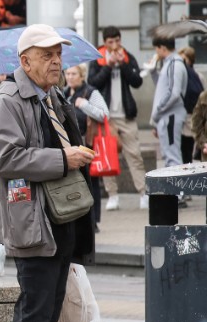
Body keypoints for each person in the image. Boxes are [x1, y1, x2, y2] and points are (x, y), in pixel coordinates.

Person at [0, 24, 95, 322]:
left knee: (47, 310)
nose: (56, 61)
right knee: (34, 309)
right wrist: (63, 159)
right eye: (47, 54)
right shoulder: (9, 99)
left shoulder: (51, 96)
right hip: (31, 218)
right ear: (25, 60)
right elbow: (6, 159)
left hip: (58, 216)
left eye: (58, 54)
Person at [87, 26, 145, 211]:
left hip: (126, 115)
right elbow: (92, 83)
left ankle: (144, 193)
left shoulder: (126, 56)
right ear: (105, 42)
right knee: (106, 155)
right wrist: (108, 67)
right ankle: (113, 195)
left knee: (134, 154)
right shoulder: (98, 58)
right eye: (111, 42)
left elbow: (137, 81)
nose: (115, 45)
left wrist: (124, 65)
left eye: (117, 40)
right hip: (106, 117)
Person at [64, 63, 109, 231]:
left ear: (82, 75)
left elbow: (104, 114)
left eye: (73, 74)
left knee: (91, 182)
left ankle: (93, 221)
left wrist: (84, 105)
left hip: (88, 145)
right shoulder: (65, 93)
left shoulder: (91, 92)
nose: (69, 77)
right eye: (67, 74)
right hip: (70, 145)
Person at [150, 37, 187, 170]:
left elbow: (173, 93)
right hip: (168, 116)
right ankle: (175, 190)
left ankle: (177, 191)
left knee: (172, 157)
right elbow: (163, 88)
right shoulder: (169, 64)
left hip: (170, 116)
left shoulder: (174, 64)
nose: (156, 52)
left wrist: (157, 111)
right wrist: (153, 71)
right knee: (169, 155)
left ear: (162, 48)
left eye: (156, 48)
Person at [177, 47, 204, 163]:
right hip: (187, 117)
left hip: (189, 117)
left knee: (187, 150)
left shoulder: (196, 76)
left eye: (183, 59)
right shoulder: (198, 76)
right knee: (186, 150)